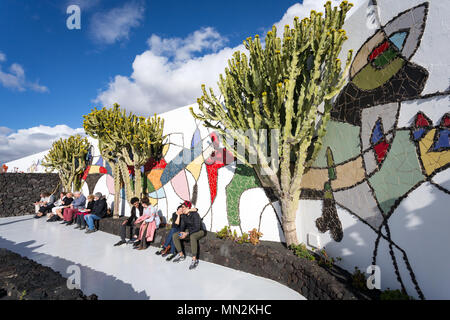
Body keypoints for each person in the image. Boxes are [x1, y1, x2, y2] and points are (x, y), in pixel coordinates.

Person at [172, 200, 206, 270]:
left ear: (188, 208)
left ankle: (194, 259)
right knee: (175, 235)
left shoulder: (195, 214)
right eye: (181, 207)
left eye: (183, 207)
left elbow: (197, 227)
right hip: (190, 231)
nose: (182, 208)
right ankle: (181, 255)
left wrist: (187, 233)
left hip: (200, 231)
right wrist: (182, 233)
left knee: (192, 236)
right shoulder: (184, 216)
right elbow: (182, 227)